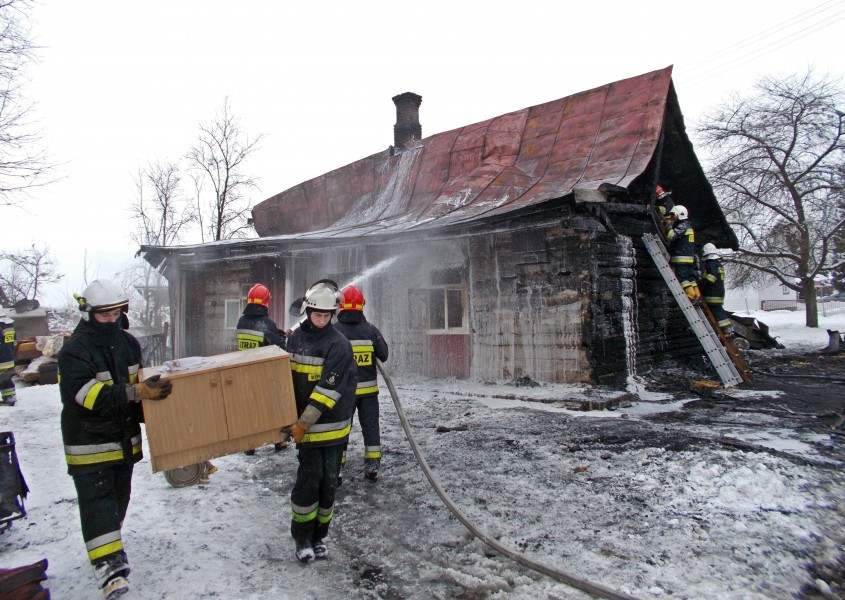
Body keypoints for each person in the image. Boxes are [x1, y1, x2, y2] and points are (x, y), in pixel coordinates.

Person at [58, 280, 173, 599]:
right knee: (99, 504)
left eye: (116, 313)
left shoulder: (128, 343)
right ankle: (110, 570)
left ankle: (107, 547)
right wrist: (137, 391)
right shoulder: (75, 350)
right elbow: (88, 396)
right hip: (89, 444)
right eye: (104, 315)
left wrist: (159, 409)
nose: (111, 320)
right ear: (88, 314)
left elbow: (140, 389)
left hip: (123, 442)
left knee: (118, 502)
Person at [285, 280, 357, 563]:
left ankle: (319, 537)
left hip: (331, 427)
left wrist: (303, 423)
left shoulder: (339, 344)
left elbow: (328, 390)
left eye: (327, 316)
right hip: (306, 430)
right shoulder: (295, 339)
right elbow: (286, 380)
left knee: (328, 485)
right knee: (308, 482)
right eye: (318, 315)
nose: (322, 320)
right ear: (308, 311)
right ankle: (302, 538)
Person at [334, 284, 389, 482]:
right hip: (368, 394)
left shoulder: (334, 332)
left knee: (341, 429)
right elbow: (384, 354)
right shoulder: (370, 330)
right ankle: (372, 465)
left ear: (341, 306)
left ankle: (337, 466)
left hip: (343, 394)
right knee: (371, 427)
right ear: (361, 306)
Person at [235, 283, 288, 454]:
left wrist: (275, 334)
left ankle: (249, 445)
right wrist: (282, 338)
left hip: (245, 372)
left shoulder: (241, 322)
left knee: (251, 409)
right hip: (265, 373)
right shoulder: (267, 323)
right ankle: (278, 441)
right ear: (266, 302)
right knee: (273, 407)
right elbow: (280, 347)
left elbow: (260, 338)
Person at [665, 204, 701, 302]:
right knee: (690, 278)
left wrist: (668, 225)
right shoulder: (688, 226)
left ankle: (690, 296)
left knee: (683, 278)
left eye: (673, 215)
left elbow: (671, 236)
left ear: (678, 215)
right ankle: (697, 295)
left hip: (681, 258)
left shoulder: (682, 226)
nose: (672, 218)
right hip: (688, 258)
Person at [699, 243, 734, 337]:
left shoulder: (711, 264)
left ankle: (725, 331)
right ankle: (728, 330)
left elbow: (711, 277)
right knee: (719, 311)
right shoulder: (718, 264)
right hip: (718, 293)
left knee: (717, 313)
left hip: (712, 293)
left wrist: (701, 283)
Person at [0, 307, 16, 406]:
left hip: (1, 359)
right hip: (8, 358)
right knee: (5, 378)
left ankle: (9, 398)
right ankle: (10, 397)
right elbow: (14, 342)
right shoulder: (8, 325)